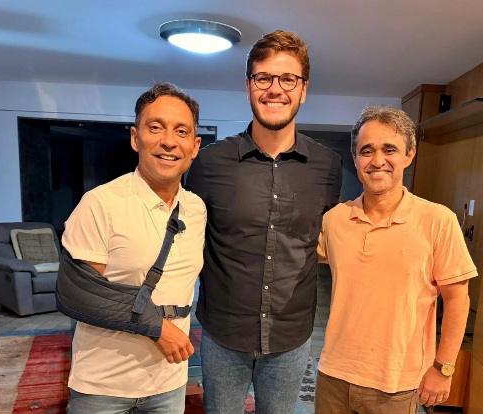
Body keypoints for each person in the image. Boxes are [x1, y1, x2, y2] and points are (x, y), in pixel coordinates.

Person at [185, 30, 342, 414]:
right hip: (223, 333)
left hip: (291, 335)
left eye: (288, 79)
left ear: (303, 89)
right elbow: (188, 243)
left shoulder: (327, 166)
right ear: (248, 86)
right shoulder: (209, 164)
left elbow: (324, 239)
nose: (275, 89)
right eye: (264, 78)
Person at [315, 105, 478, 413]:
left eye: (389, 149)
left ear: (409, 155)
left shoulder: (437, 220)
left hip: (396, 385)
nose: (377, 160)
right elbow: (292, 258)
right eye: (366, 151)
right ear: (355, 159)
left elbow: (457, 300)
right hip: (333, 376)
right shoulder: (335, 220)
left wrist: (443, 368)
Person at [62, 82, 206, 414]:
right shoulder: (100, 203)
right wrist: (156, 326)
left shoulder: (197, 210)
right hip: (102, 386)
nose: (169, 141)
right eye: (155, 127)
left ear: (195, 146)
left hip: (169, 383)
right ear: (135, 137)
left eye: (181, 131)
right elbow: (78, 293)